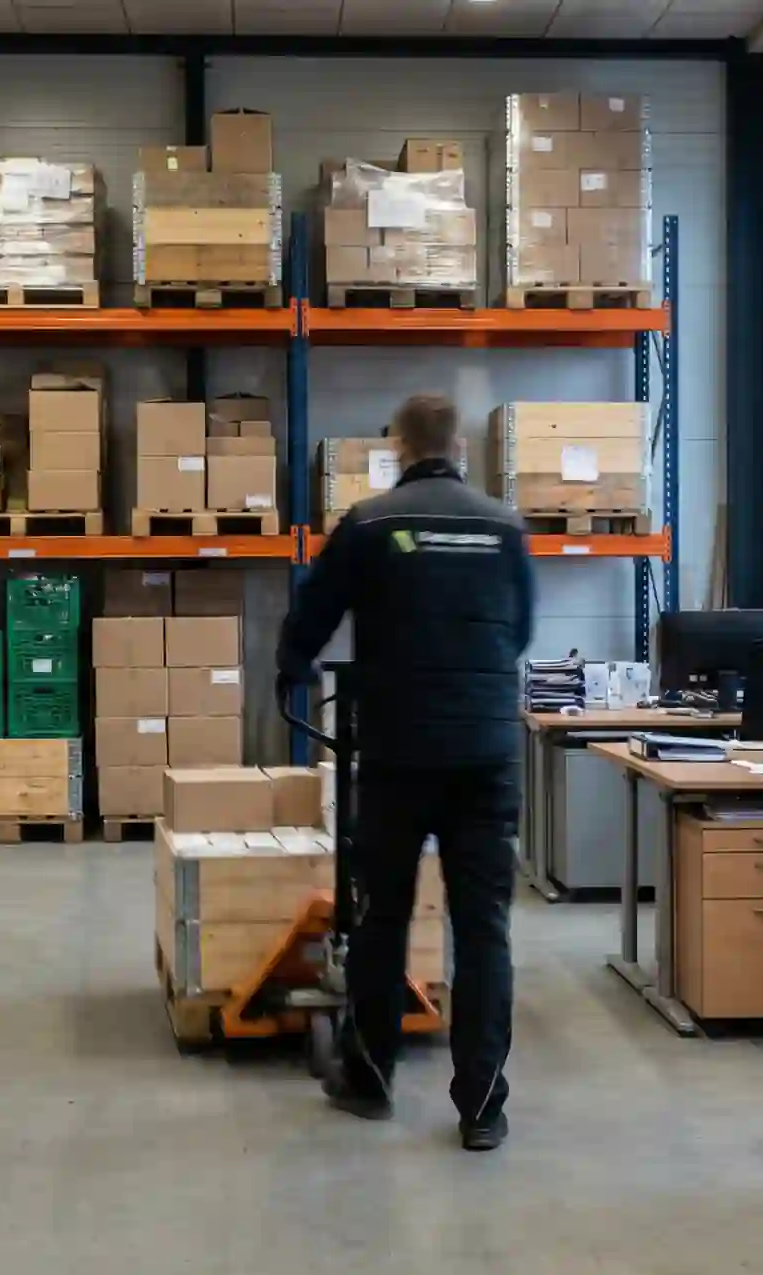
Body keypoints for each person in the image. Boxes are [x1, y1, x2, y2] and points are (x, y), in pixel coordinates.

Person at [275, 393, 534, 1152]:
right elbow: (521, 631)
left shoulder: (370, 523)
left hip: (397, 751)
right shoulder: (504, 526)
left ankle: (370, 1079)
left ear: (398, 447)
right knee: (483, 927)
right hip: (486, 754)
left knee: (382, 914)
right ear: (461, 447)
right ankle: (482, 1105)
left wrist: (294, 666)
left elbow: (312, 615)